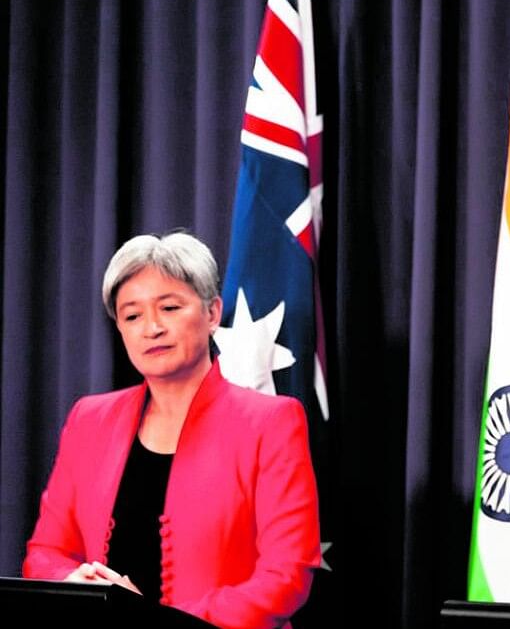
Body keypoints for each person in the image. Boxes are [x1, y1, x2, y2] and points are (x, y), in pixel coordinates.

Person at [23, 232, 320, 628]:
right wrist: (75, 584)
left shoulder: (272, 422)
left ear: (213, 313)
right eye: (132, 315)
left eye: (169, 307)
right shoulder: (88, 419)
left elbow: (287, 577)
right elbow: (44, 553)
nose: (152, 328)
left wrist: (156, 620)